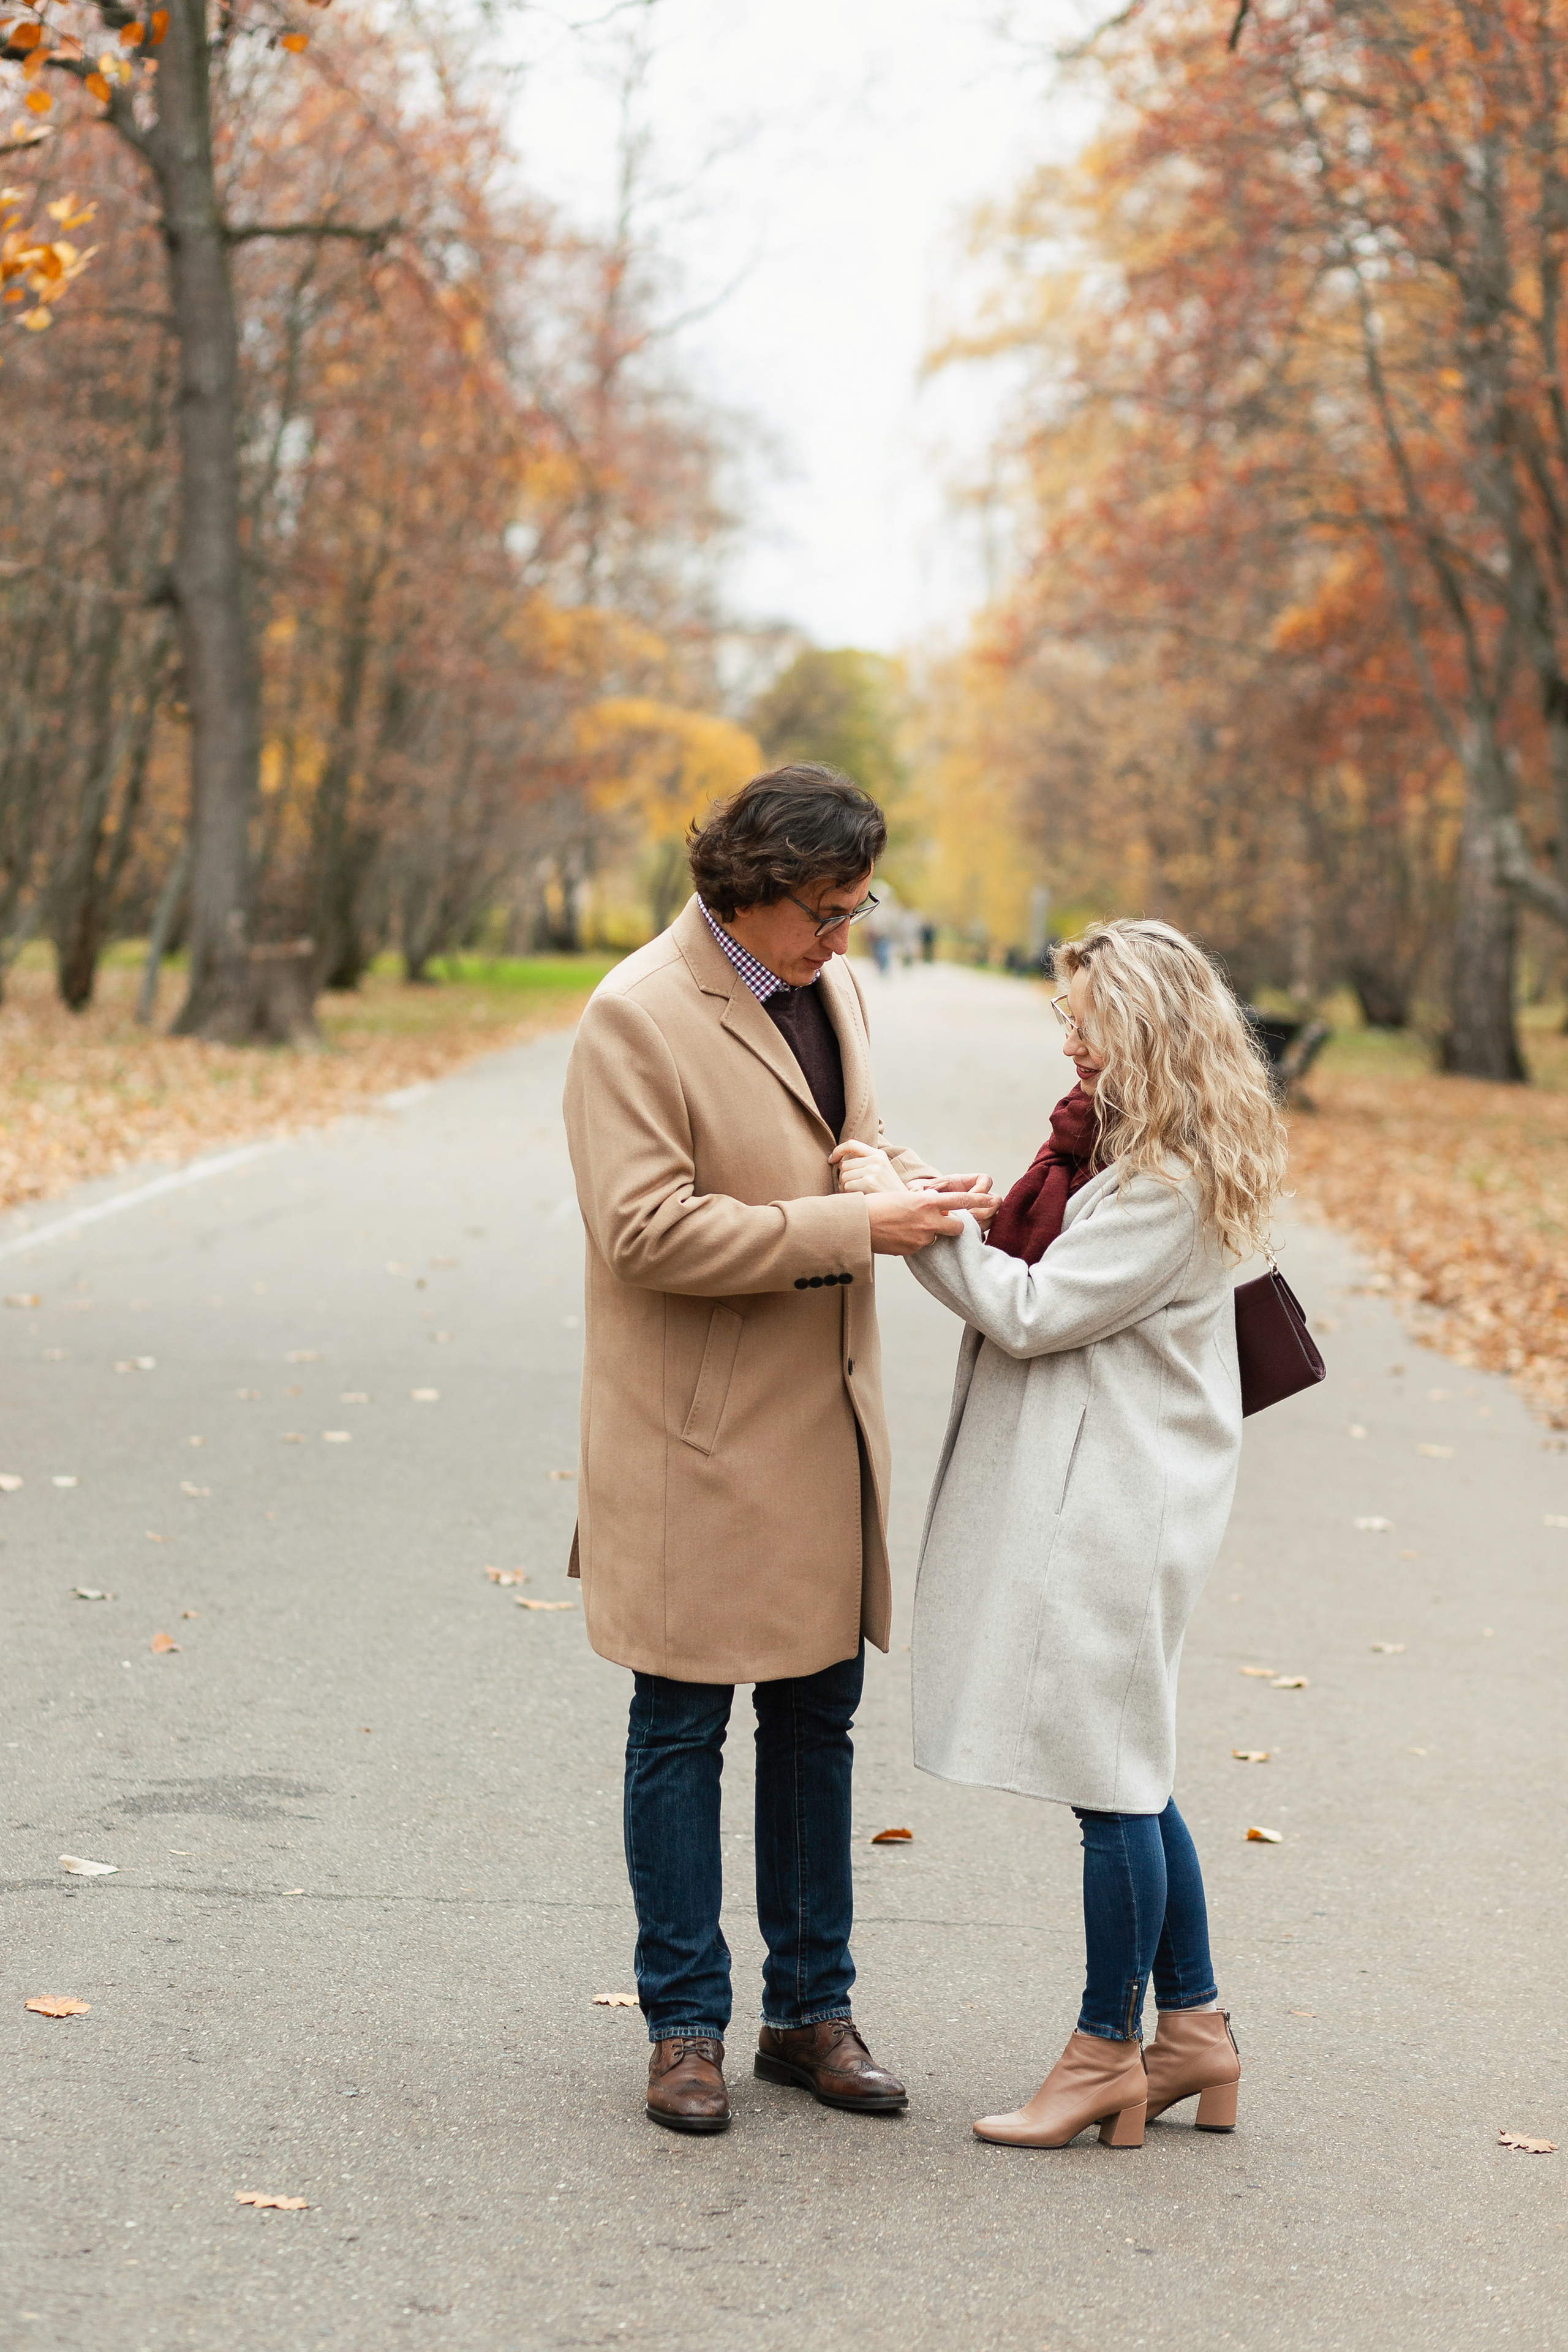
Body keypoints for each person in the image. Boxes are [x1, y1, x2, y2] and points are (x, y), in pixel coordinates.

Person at [562, 763, 995, 2135]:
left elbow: (847, 1136)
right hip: (691, 1434)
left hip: (823, 1423)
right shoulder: (633, 1015)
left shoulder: (834, 988)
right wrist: (849, 1230)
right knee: (679, 1723)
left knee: (814, 1725)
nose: (845, 936)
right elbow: (643, 1233)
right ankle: (682, 2025)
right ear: (745, 894)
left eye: (855, 910)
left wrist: (898, 1183)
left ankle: (811, 2014)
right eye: (825, 910)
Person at [834, 918, 1286, 2149]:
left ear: (1141, 1029)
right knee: (1127, 1766)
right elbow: (1035, 1260)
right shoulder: (1109, 1151)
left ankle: (1104, 2052)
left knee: (1108, 1785)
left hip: (1114, 1508)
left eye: (1085, 1017)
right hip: (1111, 1485)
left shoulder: (1165, 1179)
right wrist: (919, 1190)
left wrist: (908, 1224)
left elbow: (1030, 1310)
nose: (1068, 1035)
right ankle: (1191, 2033)